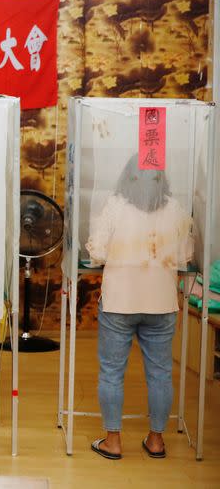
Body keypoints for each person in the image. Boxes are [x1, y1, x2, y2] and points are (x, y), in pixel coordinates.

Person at [86, 154, 193, 460]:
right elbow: (185, 254)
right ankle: (156, 441)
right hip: (161, 302)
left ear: (127, 177)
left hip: (120, 300)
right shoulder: (175, 209)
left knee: (111, 372)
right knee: (160, 374)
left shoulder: (115, 205)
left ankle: (113, 441)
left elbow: (97, 250)